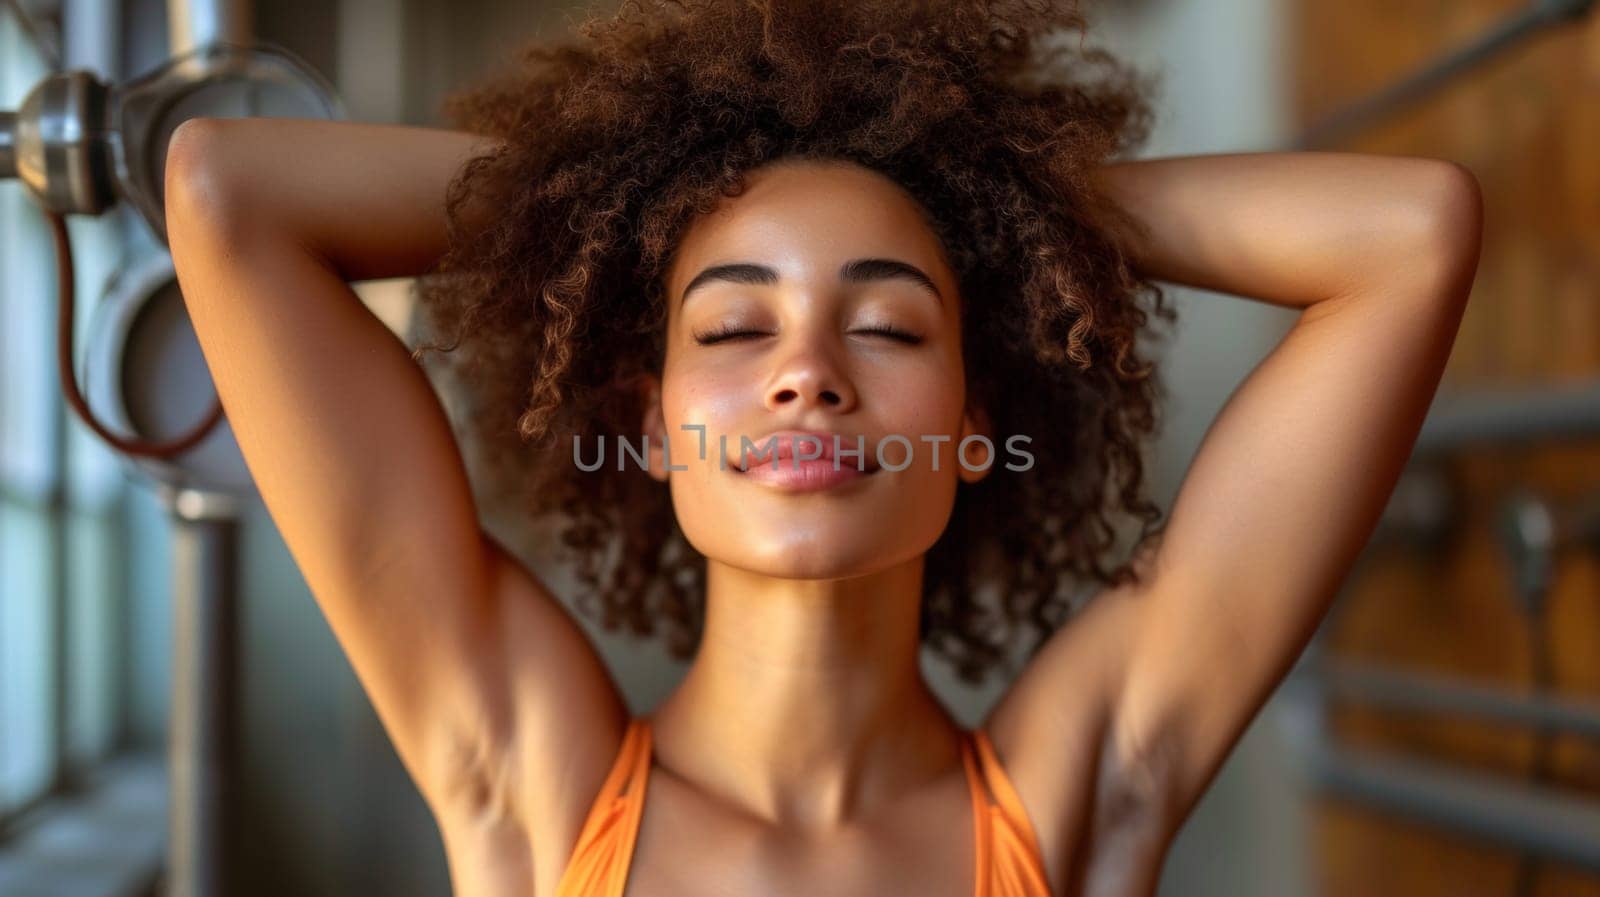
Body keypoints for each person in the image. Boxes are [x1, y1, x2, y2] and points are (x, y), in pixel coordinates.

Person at [161, 0, 1483, 894]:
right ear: (650, 429)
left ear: (976, 435)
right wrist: (605, 197)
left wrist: (1015, 217)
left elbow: (1410, 237)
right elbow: (225, 191)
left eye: (893, 325)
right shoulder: (530, 782)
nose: (805, 373)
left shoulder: (1077, 795)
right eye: (734, 322)